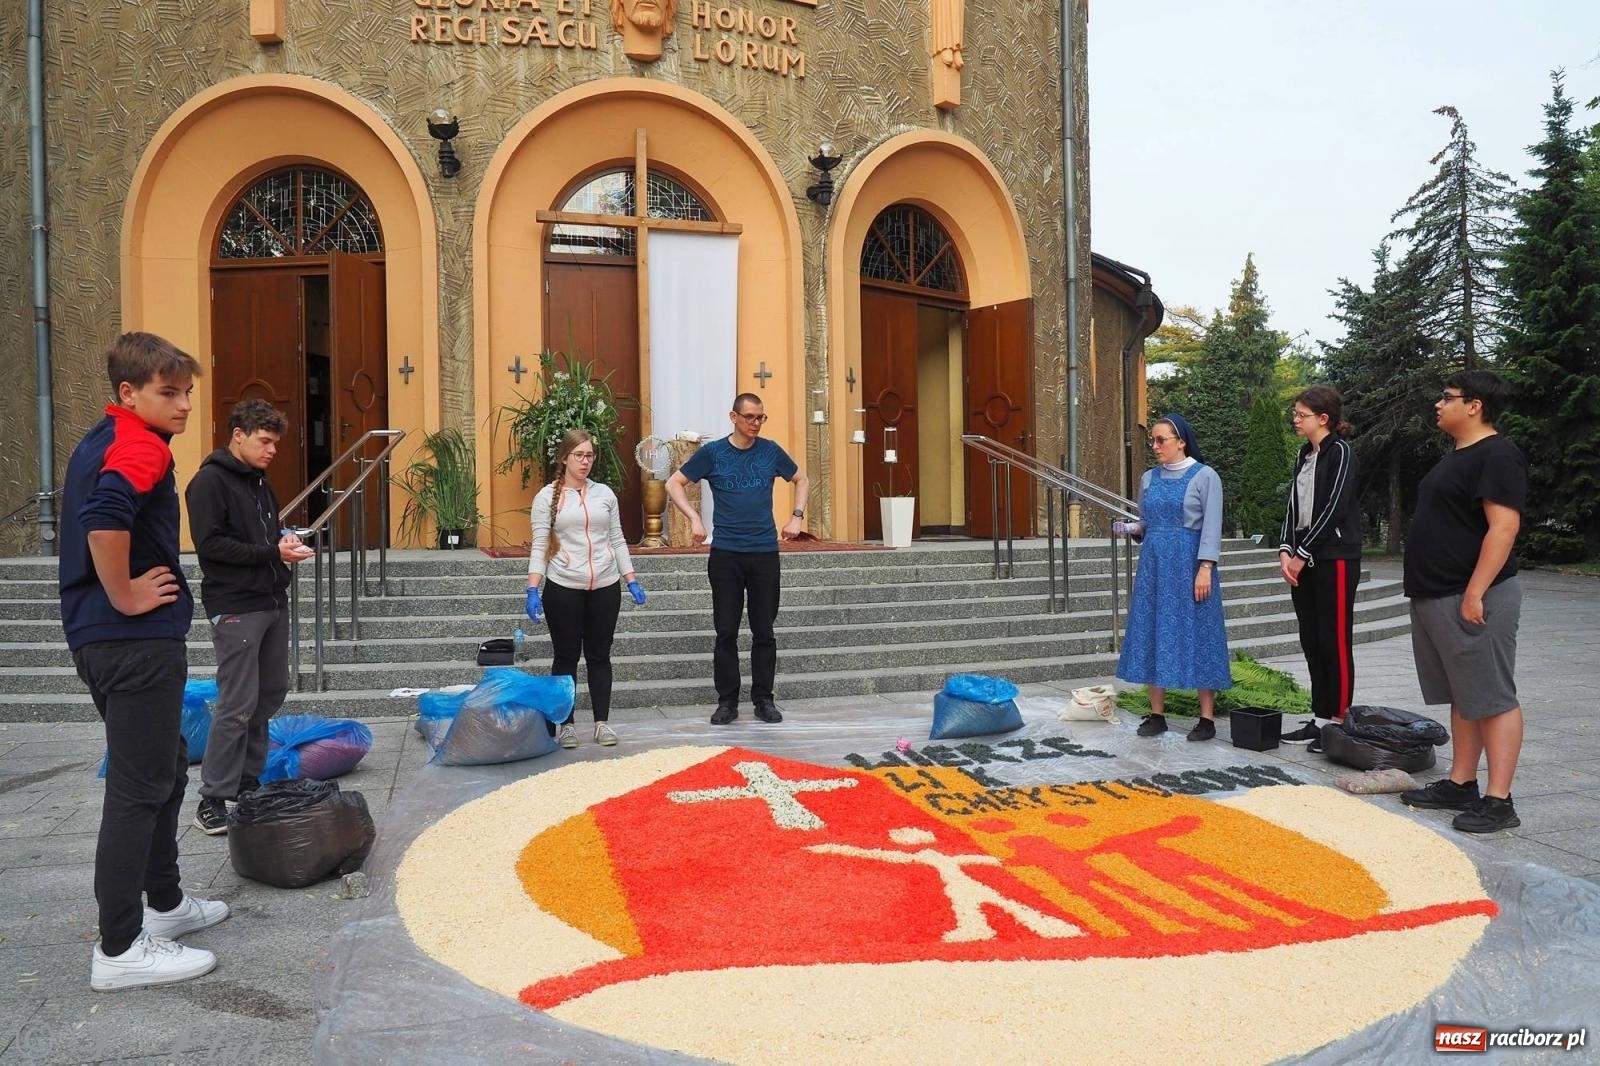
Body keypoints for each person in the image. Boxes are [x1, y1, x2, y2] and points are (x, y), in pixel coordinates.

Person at [59, 332, 229, 991]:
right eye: (169, 392)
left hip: (107, 639)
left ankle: (166, 902)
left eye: (187, 391)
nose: (183, 404)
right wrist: (126, 594)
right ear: (128, 393)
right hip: (132, 641)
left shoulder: (103, 437)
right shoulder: (139, 442)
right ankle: (121, 948)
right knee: (139, 787)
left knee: (165, 770)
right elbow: (105, 518)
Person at [1398, 371, 1528, 833]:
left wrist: (1475, 592)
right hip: (1438, 594)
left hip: (1473, 595)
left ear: (1474, 405)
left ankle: (1499, 800)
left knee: (1493, 696)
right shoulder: (1458, 456)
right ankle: (1461, 782)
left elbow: (1504, 528)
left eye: (1446, 397)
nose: (1438, 404)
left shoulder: (1498, 454)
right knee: (1463, 693)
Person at [185, 399, 313, 834]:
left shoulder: (259, 482)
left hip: (271, 599)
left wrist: (284, 541)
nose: (272, 450)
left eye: (275, 443)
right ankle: (212, 798)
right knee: (237, 703)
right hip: (236, 605)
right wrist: (271, 552)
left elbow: (265, 537)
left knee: (269, 694)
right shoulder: (209, 482)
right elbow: (211, 546)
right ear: (237, 435)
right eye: (264, 441)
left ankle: (247, 783)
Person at [665, 392, 809, 725]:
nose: (756, 423)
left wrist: (797, 517)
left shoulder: (770, 451)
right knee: (726, 631)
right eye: (750, 417)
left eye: (761, 417)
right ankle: (727, 702)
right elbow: (674, 483)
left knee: (764, 631)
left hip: (764, 552)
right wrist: (695, 518)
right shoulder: (713, 453)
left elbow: (801, 478)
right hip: (727, 553)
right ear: (734, 417)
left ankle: (764, 699)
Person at [1114, 412, 1232, 741]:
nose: (1155, 446)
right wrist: (1131, 528)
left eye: (1161, 440)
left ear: (1181, 442)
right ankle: (1157, 714)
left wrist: (1205, 567)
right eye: (1152, 440)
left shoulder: (1205, 476)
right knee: (1153, 630)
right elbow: (1148, 522)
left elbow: (1212, 526)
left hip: (1190, 563)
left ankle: (1206, 719)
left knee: (1201, 632)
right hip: (1154, 566)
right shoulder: (1148, 478)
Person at [526, 429, 646, 748]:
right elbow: (540, 544)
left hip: (605, 585)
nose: (585, 461)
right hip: (564, 585)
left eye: (589, 455)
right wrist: (533, 588)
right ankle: (565, 724)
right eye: (578, 455)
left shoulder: (604, 494)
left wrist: (630, 578)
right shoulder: (546, 497)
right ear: (565, 458)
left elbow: (617, 538)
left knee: (599, 655)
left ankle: (601, 723)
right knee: (566, 657)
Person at [1276, 386, 1362, 755]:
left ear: (1323, 418)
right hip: (1304, 557)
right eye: (1294, 414)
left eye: (1301, 415)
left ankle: (1338, 721)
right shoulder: (1304, 454)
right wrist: (1285, 548)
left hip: (1335, 557)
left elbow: (1335, 507)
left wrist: (1303, 553)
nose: (1295, 420)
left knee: (1334, 640)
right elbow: (1294, 505)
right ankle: (1320, 716)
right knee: (1311, 639)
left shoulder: (1340, 452)